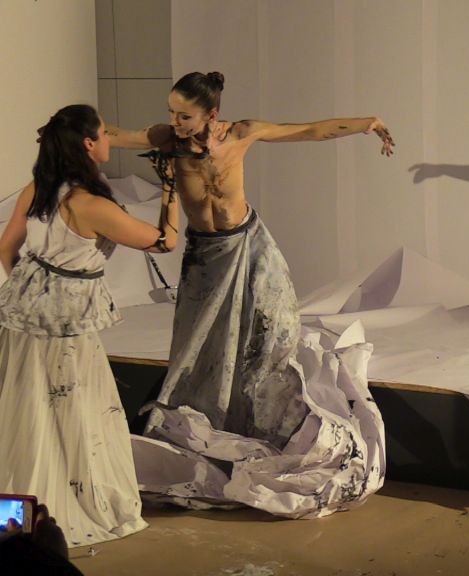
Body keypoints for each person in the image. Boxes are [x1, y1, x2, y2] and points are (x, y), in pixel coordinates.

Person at [104, 72, 390, 516]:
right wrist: (69, 130)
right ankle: (209, 427)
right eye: (171, 113)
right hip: (206, 256)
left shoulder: (240, 134)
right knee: (200, 348)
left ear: (211, 114)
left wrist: (366, 124)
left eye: (184, 115)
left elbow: (306, 131)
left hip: (250, 246)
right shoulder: (167, 140)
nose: (175, 122)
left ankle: (271, 425)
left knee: (273, 335)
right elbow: (116, 135)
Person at [0, 104, 178, 546]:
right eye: (104, 133)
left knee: (26, 408)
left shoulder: (38, 188)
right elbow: (164, 242)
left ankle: (16, 510)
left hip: (24, 318)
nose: (109, 139)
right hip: (67, 327)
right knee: (72, 408)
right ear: (88, 144)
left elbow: (6, 250)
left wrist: (32, 290)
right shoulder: (89, 205)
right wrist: (170, 187)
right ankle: (63, 499)